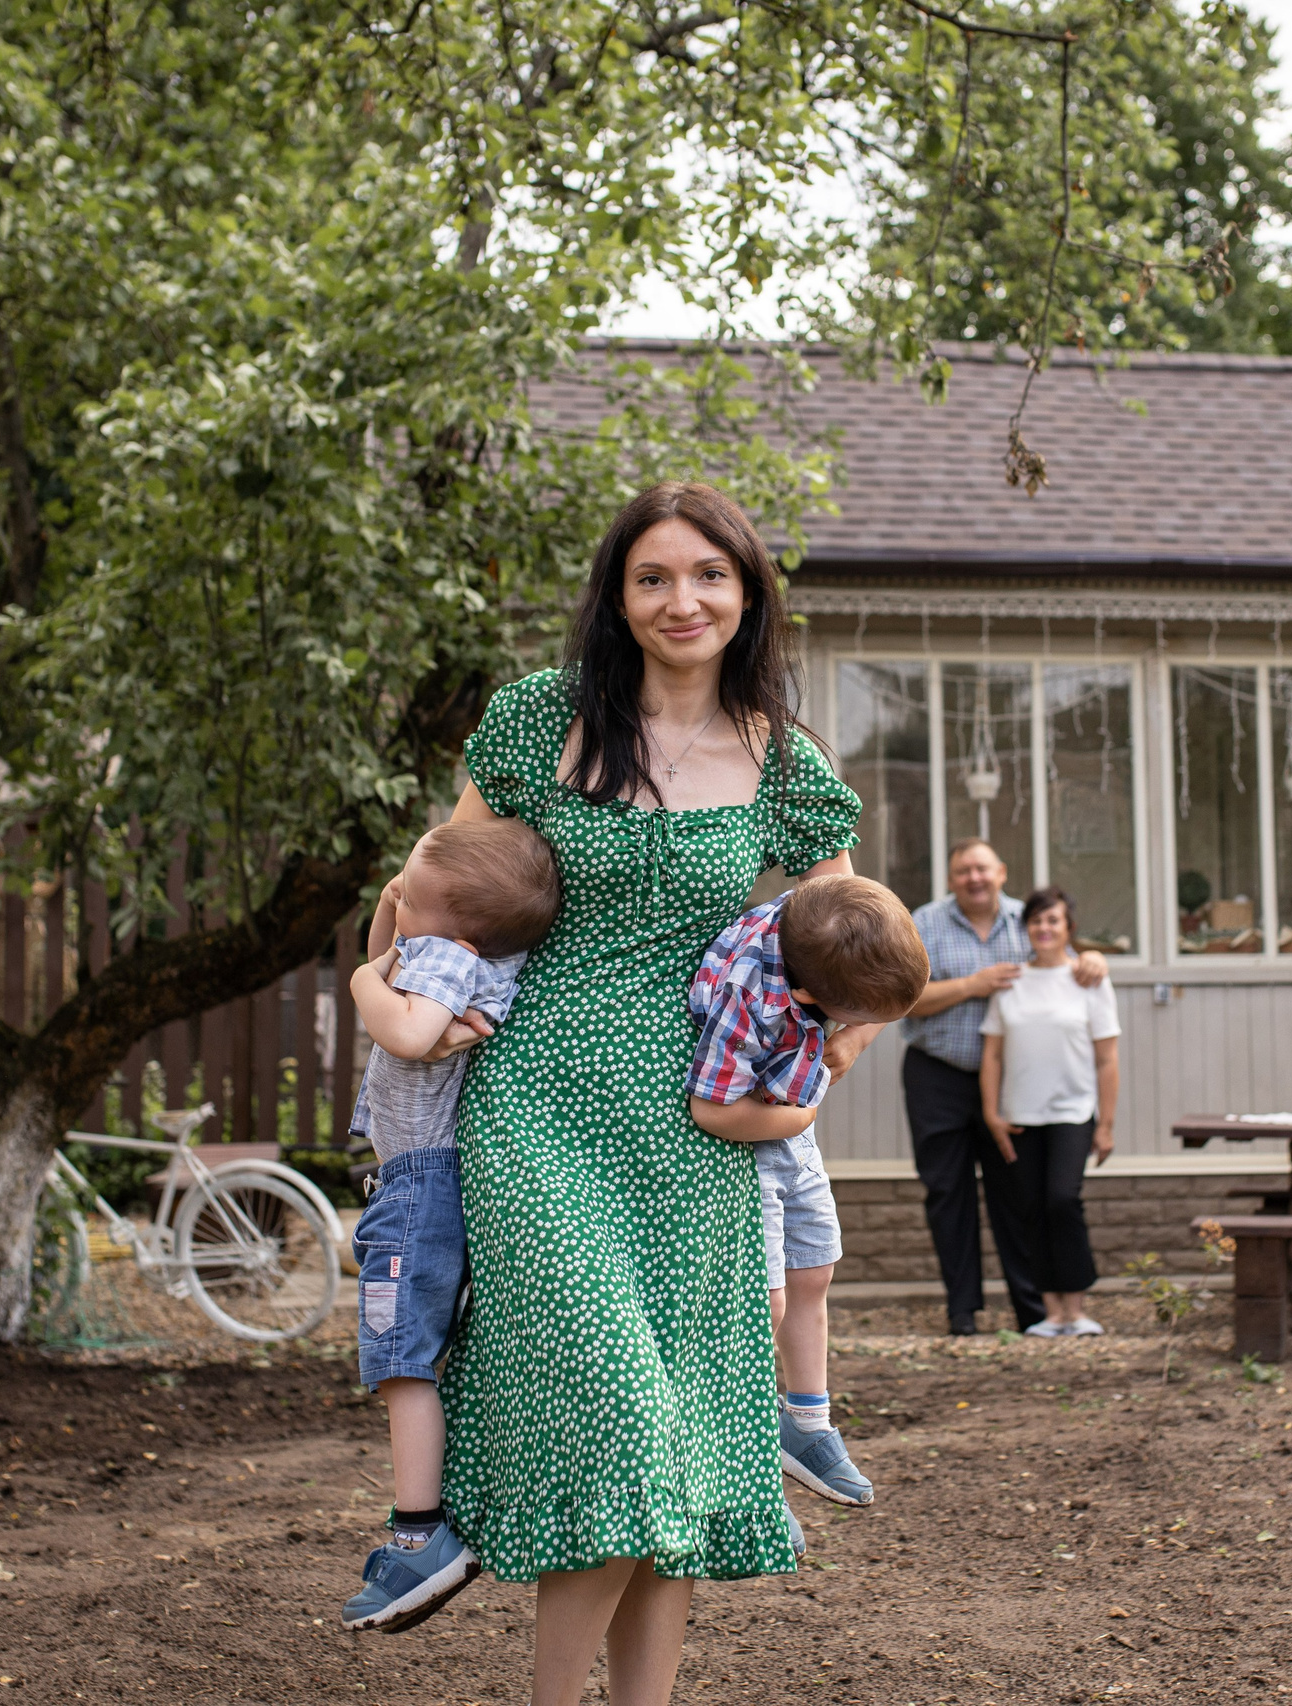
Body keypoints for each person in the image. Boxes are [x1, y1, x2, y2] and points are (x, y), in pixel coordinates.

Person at [433, 481, 870, 1706]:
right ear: (617, 599)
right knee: (619, 1408)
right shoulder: (539, 721)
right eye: (654, 577)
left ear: (746, 592)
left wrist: (824, 1058)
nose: (684, 599)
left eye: (710, 575)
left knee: (676, 1429)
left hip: (698, 1121)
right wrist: (393, 984)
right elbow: (436, 877)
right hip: (540, 1104)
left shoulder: (783, 755)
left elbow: (854, 942)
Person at [333, 817, 562, 1632]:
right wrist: (403, 904)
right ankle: (431, 1516)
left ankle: (420, 1531)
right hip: (431, 1178)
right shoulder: (468, 949)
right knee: (418, 1357)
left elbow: (405, 1027)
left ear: (453, 920)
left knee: (402, 1361)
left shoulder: (447, 958)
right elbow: (397, 928)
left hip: (417, 1184)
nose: (398, 896)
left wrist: (364, 982)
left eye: (413, 891)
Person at [686, 873, 930, 1509]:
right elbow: (712, 1110)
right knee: (760, 1299)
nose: (867, 1028)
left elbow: (885, 989)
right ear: (807, 994)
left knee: (813, 1269)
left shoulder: (835, 922)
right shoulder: (749, 997)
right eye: (860, 1017)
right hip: (746, 1138)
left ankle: (807, 1422)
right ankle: (743, 1461)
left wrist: (850, 1037)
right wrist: (799, 1115)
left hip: (787, 1118)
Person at [900, 839, 1108, 1335]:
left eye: (982, 869)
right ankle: (963, 1311)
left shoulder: (1030, 919)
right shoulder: (924, 923)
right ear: (951, 880)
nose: (974, 878)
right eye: (963, 871)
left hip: (1014, 1085)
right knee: (947, 1193)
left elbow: (1070, 967)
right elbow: (904, 997)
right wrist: (972, 984)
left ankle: (1032, 1311)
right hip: (938, 1073)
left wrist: (1095, 957)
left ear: (1001, 873)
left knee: (1015, 1195)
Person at [977, 886, 1121, 1337]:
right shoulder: (1011, 982)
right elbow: (993, 1056)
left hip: (1074, 1113)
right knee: (1032, 1209)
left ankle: (1076, 1308)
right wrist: (992, 1114)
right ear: (1028, 929)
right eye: (1036, 921)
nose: (1044, 928)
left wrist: (1107, 1125)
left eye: (1053, 920)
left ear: (1068, 928)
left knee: (1062, 1200)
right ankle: (1050, 1313)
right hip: (1021, 1115)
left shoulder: (1089, 980)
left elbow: (1107, 1058)